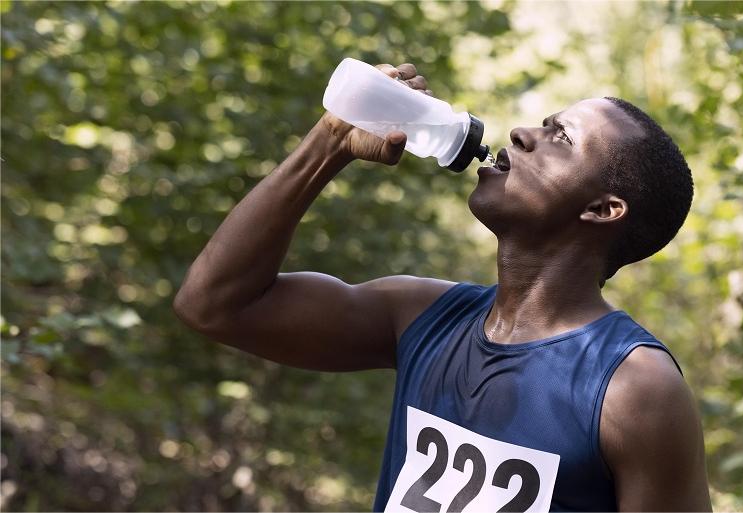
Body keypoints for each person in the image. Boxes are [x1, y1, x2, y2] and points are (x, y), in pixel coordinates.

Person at [174, 61, 712, 512]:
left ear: (602, 209)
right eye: (545, 123)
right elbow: (214, 305)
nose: (523, 133)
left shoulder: (633, 388)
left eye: (561, 138)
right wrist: (331, 139)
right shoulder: (420, 315)